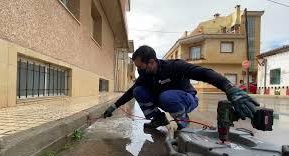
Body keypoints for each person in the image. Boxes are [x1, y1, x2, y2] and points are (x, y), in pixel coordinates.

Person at [103, 45, 259, 130]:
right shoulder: (145, 74)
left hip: (187, 99)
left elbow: (204, 73)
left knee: (167, 96)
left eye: (141, 66)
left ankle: (183, 122)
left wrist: (229, 87)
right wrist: (114, 106)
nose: (139, 70)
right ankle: (159, 119)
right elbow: (131, 92)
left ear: (151, 62)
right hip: (166, 100)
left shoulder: (175, 66)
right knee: (138, 90)